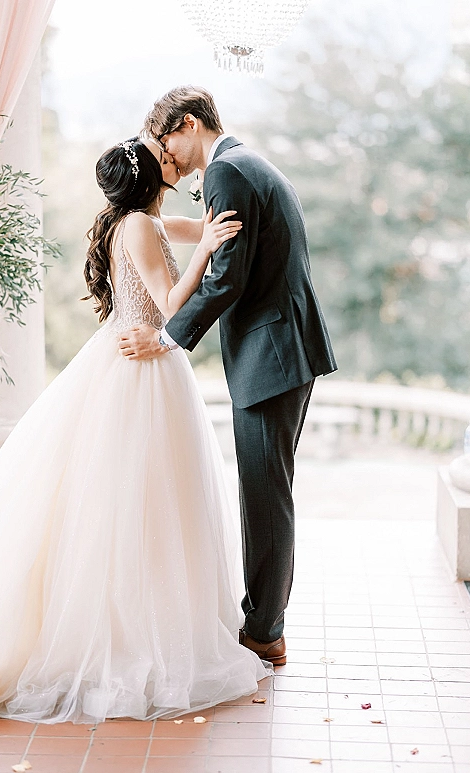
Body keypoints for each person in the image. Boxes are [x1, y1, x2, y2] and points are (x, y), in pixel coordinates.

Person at [0, 135, 269, 724]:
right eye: (160, 155)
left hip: (140, 361)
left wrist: (207, 229)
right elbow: (167, 300)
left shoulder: (141, 220)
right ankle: (129, 634)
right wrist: (208, 251)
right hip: (143, 363)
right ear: (147, 176)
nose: (171, 158)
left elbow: (182, 229)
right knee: (136, 503)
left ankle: (154, 619)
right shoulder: (136, 225)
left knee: (150, 503)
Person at [119, 87, 337, 666]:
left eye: (167, 143)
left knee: (264, 495)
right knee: (268, 490)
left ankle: (264, 630)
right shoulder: (246, 163)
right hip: (284, 348)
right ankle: (265, 619)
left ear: (187, 125)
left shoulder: (228, 174)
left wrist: (166, 338)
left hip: (271, 356)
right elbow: (219, 246)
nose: (169, 158)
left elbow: (225, 279)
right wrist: (158, 225)